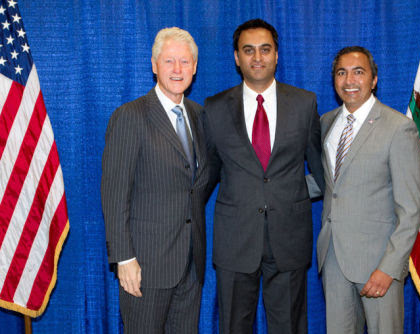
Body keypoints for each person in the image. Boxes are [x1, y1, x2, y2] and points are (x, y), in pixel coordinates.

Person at [203, 18, 325, 334]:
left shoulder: (304, 103)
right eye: (248, 50)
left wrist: (294, 192)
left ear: (277, 55)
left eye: (265, 49)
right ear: (236, 57)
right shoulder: (214, 108)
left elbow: (321, 171)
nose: (257, 57)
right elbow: (207, 175)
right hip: (235, 242)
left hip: (289, 238)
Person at [101, 27, 208, 334]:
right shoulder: (131, 116)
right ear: (153, 64)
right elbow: (114, 194)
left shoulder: (199, 116)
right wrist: (124, 258)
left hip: (190, 264)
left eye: (185, 62)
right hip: (145, 267)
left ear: (195, 68)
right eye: (169, 61)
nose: (178, 69)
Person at [316, 46, 420, 333]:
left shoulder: (398, 128)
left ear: (373, 79)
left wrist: (389, 267)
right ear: (334, 80)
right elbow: (329, 183)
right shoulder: (326, 123)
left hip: (378, 263)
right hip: (334, 258)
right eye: (342, 72)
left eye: (358, 72)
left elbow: (411, 209)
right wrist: (269, 187)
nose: (349, 80)